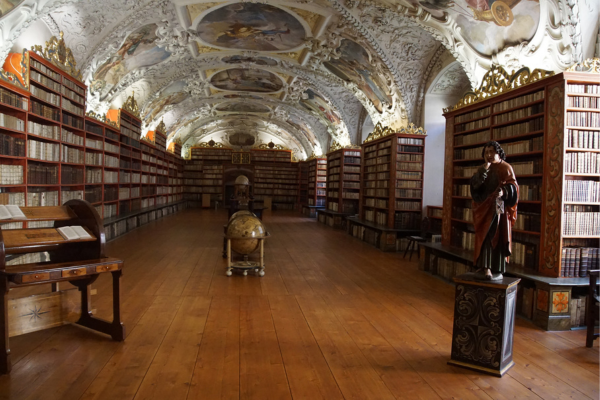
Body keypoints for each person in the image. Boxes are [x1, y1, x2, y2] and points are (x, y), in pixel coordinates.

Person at [470, 141, 518, 280]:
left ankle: (495, 268)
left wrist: (504, 191)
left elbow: (513, 187)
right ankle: (484, 266)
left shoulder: (505, 168)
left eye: (492, 152)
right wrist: (484, 171)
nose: (489, 155)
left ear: (498, 153)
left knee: (495, 236)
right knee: (484, 237)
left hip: (498, 210)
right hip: (484, 209)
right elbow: (475, 186)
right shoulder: (483, 168)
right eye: (486, 153)